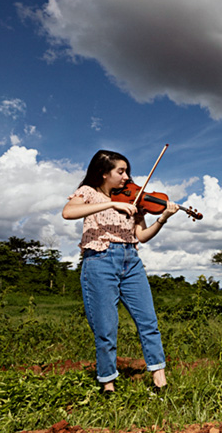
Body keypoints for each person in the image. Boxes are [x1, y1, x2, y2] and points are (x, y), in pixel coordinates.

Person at [62, 149, 179, 395]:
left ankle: (160, 380)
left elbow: (142, 237)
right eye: (120, 171)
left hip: (131, 260)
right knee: (106, 327)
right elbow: (68, 212)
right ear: (104, 173)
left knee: (148, 321)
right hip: (100, 260)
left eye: (127, 171)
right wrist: (112, 203)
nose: (127, 177)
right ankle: (108, 384)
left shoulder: (133, 200)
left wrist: (163, 218)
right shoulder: (89, 193)